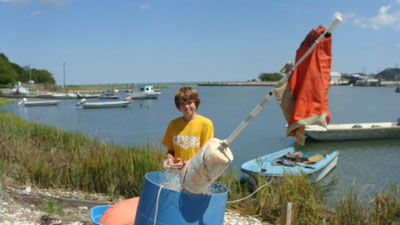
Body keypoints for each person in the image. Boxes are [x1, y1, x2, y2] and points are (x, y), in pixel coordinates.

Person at [162, 87, 214, 170]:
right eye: (182, 103)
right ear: (178, 106)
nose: (186, 106)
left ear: (196, 103)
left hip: (196, 173)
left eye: (190, 103)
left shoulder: (206, 124)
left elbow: (205, 155)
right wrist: (169, 159)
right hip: (176, 173)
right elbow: (170, 151)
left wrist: (185, 163)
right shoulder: (173, 124)